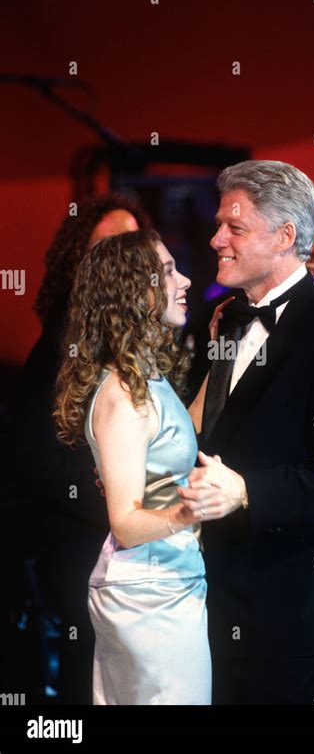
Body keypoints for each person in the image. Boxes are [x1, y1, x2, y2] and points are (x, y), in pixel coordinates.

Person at [179, 159, 314, 705]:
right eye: (220, 223)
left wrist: (248, 492)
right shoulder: (221, 320)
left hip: (292, 611)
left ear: (286, 237)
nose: (216, 238)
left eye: (235, 227)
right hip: (216, 594)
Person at [54, 228, 212, 705]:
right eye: (166, 272)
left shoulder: (145, 375)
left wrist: (230, 356)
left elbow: (181, 433)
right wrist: (192, 509)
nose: (184, 280)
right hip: (149, 596)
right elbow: (125, 519)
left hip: (166, 580)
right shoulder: (121, 394)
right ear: (132, 291)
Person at [8, 194, 151, 703]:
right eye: (105, 249)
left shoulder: (146, 346)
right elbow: (35, 469)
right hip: (82, 561)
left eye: (130, 249)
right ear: (78, 262)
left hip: (136, 560)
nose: (119, 262)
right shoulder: (57, 351)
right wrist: (124, 502)